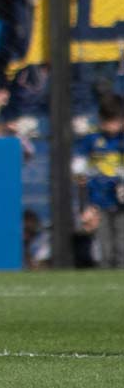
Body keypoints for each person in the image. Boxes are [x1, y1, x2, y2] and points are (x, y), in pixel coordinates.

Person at [72, 93, 124, 268]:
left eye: (115, 121)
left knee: (121, 243)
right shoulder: (92, 139)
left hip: (119, 200)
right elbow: (79, 167)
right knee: (104, 245)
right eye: (108, 121)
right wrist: (85, 204)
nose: (112, 126)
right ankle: (105, 272)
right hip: (98, 199)